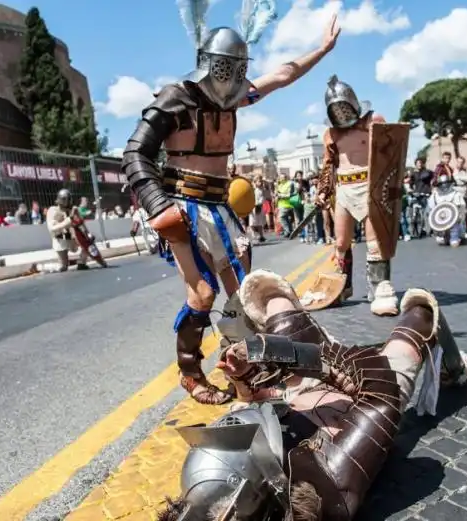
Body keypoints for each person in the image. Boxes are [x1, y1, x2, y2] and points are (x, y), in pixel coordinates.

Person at [121, 2, 340, 405]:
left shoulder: (235, 98)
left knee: (244, 298)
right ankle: (190, 373)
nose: (232, 77)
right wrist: (156, 205)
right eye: (227, 67)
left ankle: (243, 372)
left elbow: (283, 74)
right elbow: (136, 153)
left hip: (221, 208)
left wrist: (322, 51)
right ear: (208, 62)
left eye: (239, 69)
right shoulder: (176, 97)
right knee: (202, 295)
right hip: (181, 206)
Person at [158, 269, 467, 521]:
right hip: (359, 394)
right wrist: (285, 351)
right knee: (419, 312)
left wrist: (248, 379)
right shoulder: (328, 480)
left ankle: (303, 345)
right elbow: (380, 390)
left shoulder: (227, 496)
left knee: (265, 293)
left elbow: (263, 408)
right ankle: (454, 368)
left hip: (301, 390)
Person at [315, 75, 399, 316]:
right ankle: (342, 287)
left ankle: (380, 288)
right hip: (344, 189)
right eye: (336, 109)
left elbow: (391, 151)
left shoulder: (374, 121)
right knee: (340, 243)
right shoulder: (330, 134)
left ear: (353, 103)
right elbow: (328, 165)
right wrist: (323, 191)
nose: (341, 113)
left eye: (344, 106)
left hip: (371, 185)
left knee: (375, 242)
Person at [42, 189, 89, 272]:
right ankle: (41, 267)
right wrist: (68, 220)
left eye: (68, 199)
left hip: (73, 238)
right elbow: (52, 228)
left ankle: (81, 262)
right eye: (64, 199)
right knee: (63, 267)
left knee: (88, 243)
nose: (67, 201)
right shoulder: (53, 210)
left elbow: (81, 223)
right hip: (60, 239)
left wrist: (87, 233)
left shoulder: (73, 209)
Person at [428, 173, 466, 247]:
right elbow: (431, 209)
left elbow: (461, 207)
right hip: (440, 220)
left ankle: (455, 237)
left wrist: (461, 216)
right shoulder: (435, 195)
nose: (444, 185)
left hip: (454, 219)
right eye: (442, 184)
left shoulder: (455, 194)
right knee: (441, 241)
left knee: (455, 225)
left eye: (446, 183)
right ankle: (441, 236)